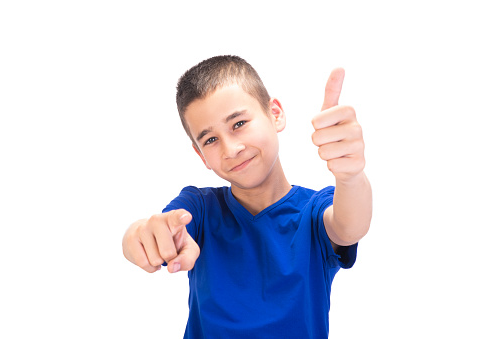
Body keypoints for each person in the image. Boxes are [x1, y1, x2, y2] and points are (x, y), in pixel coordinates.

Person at [122, 55, 372, 338]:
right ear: (200, 154)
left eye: (238, 123)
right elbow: (157, 229)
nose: (231, 148)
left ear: (275, 114)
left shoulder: (314, 212)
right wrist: (140, 235)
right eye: (210, 140)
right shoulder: (199, 209)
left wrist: (351, 176)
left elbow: (350, 225)